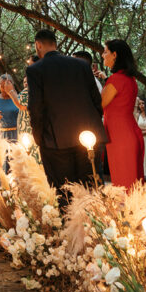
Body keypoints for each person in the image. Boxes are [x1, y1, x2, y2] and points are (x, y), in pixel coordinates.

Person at [27, 29, 106, 205]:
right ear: (55, 44)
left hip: (55, 141)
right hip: (87, 138)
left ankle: (68, 222)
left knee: (64, 192)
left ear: (38, 45)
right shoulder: (81, 65)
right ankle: (95, 221)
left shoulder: (35, 70)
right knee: (91, 189)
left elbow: (36, 108)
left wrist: (39, 138)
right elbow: (96, 100)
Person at [101, 39, 145, 188]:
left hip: (120, 136)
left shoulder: (116, 79)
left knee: (124, 184)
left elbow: (98, 105)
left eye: (105, 52)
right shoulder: (130, 79)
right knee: (132, 185)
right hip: (128, 132)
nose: (102, 55)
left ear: (115, 55)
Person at [15, 58, 41, 162]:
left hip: (29, 125)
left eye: (27, 81)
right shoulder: (27, 90)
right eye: (24, 82)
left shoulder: (31, 90)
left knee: (32, 153)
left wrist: (11, 91)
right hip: (25, 125)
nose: (26, 83)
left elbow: (22, 106)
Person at [0, 73, 21, 143]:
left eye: (5, 85)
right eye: (1, 85)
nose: (3, 88)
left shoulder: (19, 99)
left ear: (11, 85)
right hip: (0, 136)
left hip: (18, 134)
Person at [136, 97, 146, 177]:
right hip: (141, 140)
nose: (141, 105)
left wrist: (143, 131)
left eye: (143, 103)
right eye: (139, 104)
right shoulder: (137, 115)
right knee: (143, 157)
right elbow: (136, 128)